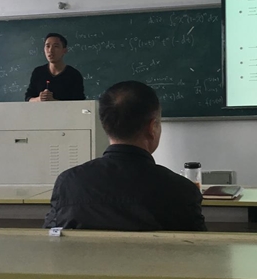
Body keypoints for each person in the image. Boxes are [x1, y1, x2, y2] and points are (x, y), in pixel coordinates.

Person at [44, 80, 206, 232]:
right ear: (152, 127)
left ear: (105, 125)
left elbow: (51, 241)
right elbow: (198, 247)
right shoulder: (182, 191)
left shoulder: (69, 183)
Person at [25, 33, 85, 102]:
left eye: (56, 46)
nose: (50, 50)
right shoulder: (38, 72)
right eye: (47, 46)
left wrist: (53, 101)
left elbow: (79, 103)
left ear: (64, 50)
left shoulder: (74, 75)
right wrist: (39, 99)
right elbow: (28, 98)